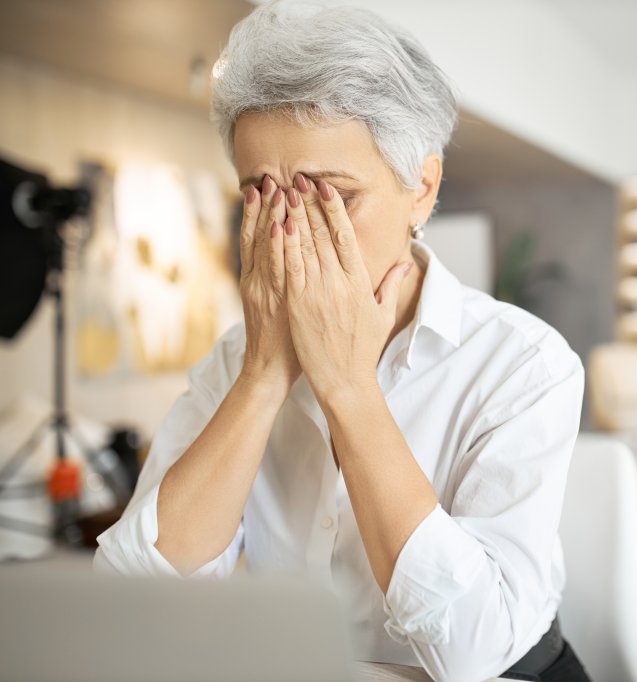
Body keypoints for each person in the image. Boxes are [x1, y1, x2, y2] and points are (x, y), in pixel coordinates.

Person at [94, 2, 590, 681]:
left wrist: (349, 387)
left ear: (422, 188)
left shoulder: (522, 364)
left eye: (332, 197)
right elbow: (125, 613)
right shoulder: (234, 363)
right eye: (262, 198)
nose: (291, 235)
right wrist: (265, 376)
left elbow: (473, 654)